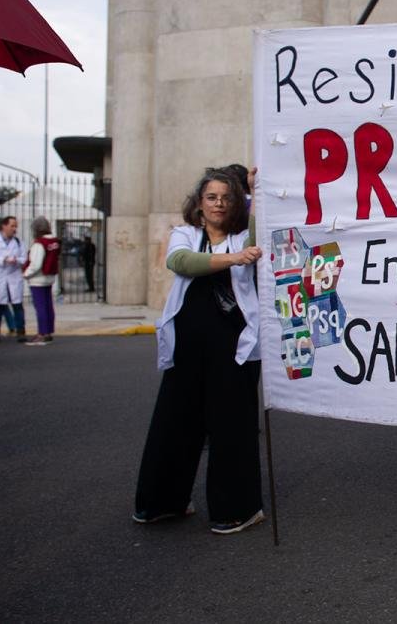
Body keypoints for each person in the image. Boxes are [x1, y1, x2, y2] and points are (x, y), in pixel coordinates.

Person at [132, 168, 266, 534]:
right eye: (212, 197)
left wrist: (257, 192)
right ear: (200, 203)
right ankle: (159, 504)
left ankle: (233, 511)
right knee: (175, 422)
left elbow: (260, 235)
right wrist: (233, 259)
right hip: (187, 346)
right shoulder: (185, 235)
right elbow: (180, 263)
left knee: (232, 425)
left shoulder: (243, 235)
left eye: (227, 197)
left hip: (234, 346)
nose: (219, 203)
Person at [23, 216, 59, 346]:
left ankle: (42, 333)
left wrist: (26, 274)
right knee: (48, 305)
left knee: (40, 307)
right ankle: (48, 331)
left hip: (38, 279)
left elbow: (36, 263)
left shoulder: (39, 244)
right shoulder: (54, 242)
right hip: (49, 277)